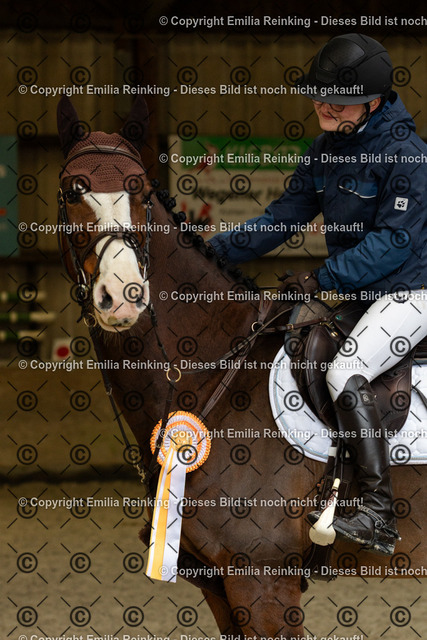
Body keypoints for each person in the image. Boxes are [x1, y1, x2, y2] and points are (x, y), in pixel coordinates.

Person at [208, 33, 427, 556]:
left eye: (339, 99)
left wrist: (323, 277)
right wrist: (206, 252)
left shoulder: (407, 155)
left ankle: (377, 512)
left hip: (411, 290)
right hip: (359, 292)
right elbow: (282, 218)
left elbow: (393, 244)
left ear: (374, 101)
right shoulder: (326, 151)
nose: (325, 106)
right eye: (319, 95)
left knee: (344, 371)